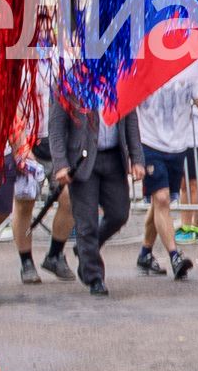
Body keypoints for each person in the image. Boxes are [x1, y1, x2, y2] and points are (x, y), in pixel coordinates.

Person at [42, 51, 140, 296]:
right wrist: (60, 164)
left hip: (113, 158)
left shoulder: (120, 78)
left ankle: (88, 250)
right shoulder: (69, 82)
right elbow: (55, 127)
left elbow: (130, 120)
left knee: (119, 213)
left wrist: (137, 158)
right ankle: (94, 276)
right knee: (85, 222)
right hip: (82, 162)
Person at [132, 50, 198, 281]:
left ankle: (145, 253)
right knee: (161, 199)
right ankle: (175, 256)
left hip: (177, 145)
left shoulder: (191, 66)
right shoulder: (144, 62)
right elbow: (128, 106)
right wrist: (131, 150)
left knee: (161, 204)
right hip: (149, 143)